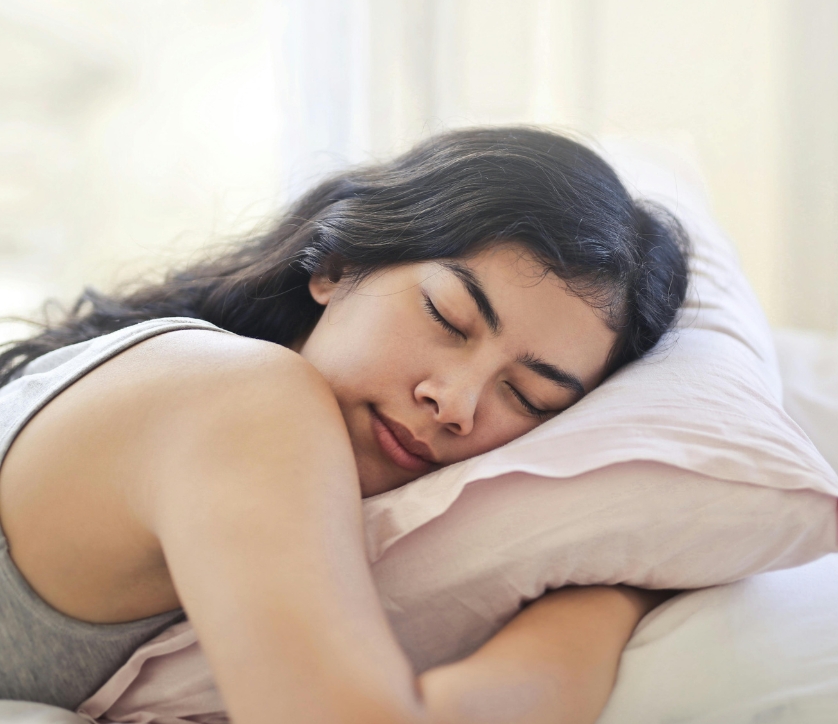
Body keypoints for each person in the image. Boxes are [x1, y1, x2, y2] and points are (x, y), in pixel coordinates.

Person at [0, 127, 688, 724]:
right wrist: (613, 591)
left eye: (530, 396)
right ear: (338, 264)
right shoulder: (243, 397)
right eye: (447, 317)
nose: (456, 403)